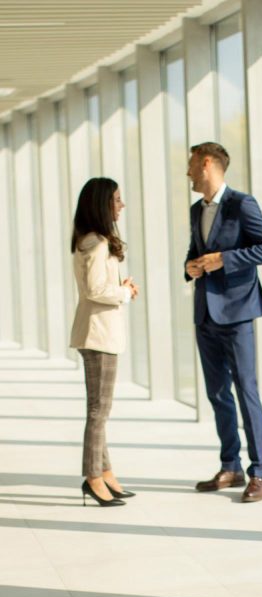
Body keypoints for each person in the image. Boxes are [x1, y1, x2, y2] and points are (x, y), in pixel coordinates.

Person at [185, 142, 262, 502]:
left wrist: (225, 259)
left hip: (237, 312)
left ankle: (259, 472)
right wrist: (189, 267)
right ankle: (231, 466)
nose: (188, 172)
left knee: (246, 389)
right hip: (205, 314)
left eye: (192, 165)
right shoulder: (196, 210)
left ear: (207, 163)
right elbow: (194, 253)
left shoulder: (242, 204)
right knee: (217, 393)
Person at [70, 177, 139, 507]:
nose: (121, 205)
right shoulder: (97, 244)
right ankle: (92, 477)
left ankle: (105, 471)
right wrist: (125, 292)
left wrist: (118, 286)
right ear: (101, 204)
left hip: (95, 333)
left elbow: (96, 285)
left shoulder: (88, 240)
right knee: (99, 411)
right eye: (116, 199)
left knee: (100, 410)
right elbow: (95, 291)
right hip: (99, 335)